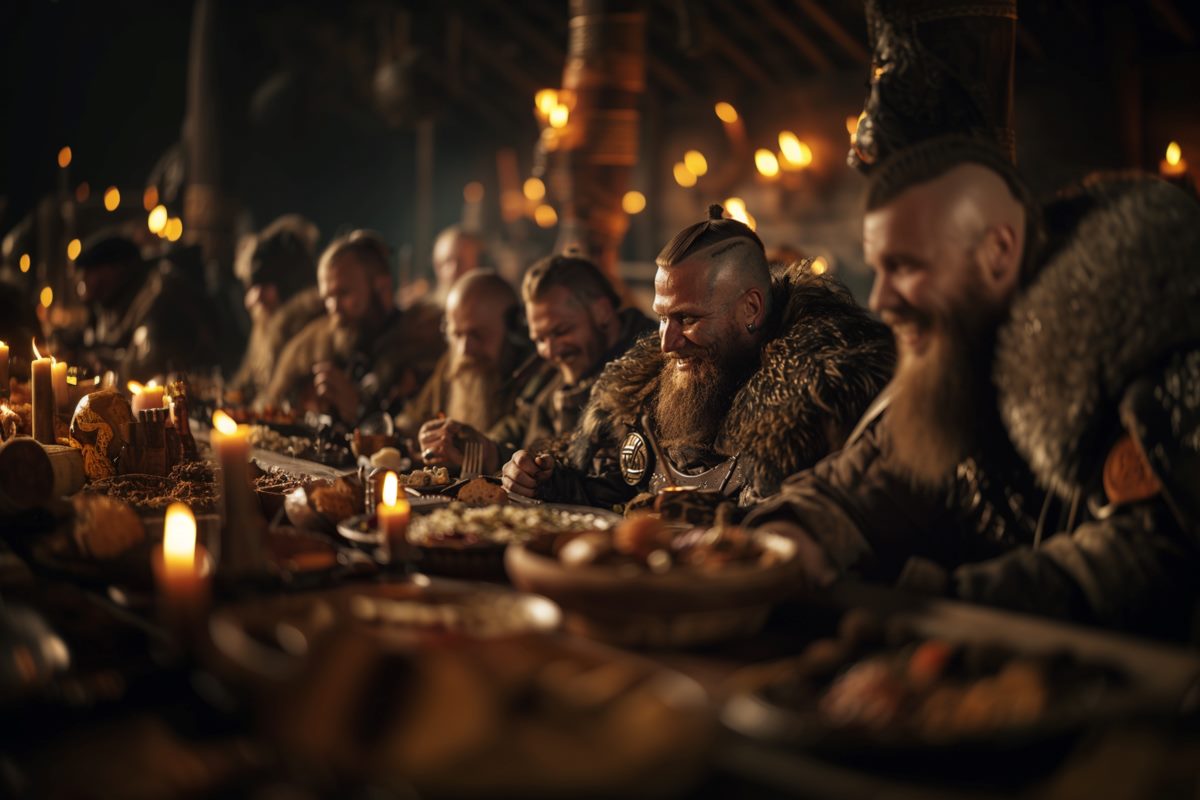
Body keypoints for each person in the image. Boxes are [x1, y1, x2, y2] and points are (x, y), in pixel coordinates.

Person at [746, 141, 1200, 641]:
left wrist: (937, 607)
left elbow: (1151, 558)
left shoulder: (1158, 342)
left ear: (998, 251)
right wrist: (795, 532)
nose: (881, 299)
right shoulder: (965, 339)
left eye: (907, 267)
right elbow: (888, 470)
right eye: (878, 268)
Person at [502, 204, 895, 508]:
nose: (668, 343)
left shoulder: (824, 402)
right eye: (662, 318)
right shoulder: (644, 394)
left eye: (687, 318)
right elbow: (611, 493)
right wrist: (546, 481)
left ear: (751, 309)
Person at [453, 253, 654, 474]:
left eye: (561, 331)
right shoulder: (561, 372)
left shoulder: (646, 377)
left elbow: (605, 483)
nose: (549, 350)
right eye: (539, 339)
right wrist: (473, 445)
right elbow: (522, 422)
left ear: (602, 312)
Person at [264, 230, 443, 423]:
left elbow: (418, 432)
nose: (334, 307)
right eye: (328, 297)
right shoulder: (314, 347)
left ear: (381, 287)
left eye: (343, 293)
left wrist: (357, 409)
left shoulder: (420, 350)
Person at [399, 270, 534, 470]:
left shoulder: (534, 376)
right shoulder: (452, 364)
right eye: (456, 334)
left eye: (478, 335)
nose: (464, 349)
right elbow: (413, 419)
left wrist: (475, 452)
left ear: (515, 331)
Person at [73, 232, 222, 382]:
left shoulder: (158, 292)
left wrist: (106, 361)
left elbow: (145, 366)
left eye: (91, 273)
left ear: (117, 268)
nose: (84, 283)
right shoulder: (109, 304)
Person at [229, 215, 324, 403]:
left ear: (290, 285)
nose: (251, 300)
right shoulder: (264, 329)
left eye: (264, 286)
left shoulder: (317, 337)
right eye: (252, 288)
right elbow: (243, 388)